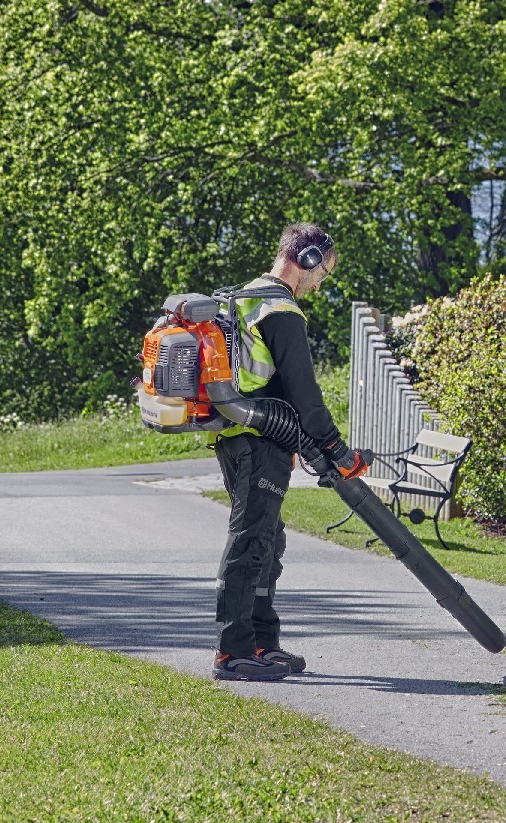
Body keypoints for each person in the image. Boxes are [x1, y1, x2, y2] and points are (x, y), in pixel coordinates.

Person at [211, 223, 368, 682]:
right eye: (325, 272)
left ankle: (262, 642)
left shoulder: (243, 296)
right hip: (259, 440)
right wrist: (336, 448)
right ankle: (233, 653)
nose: (321, 283)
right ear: (310, 259)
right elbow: (305, 393)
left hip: (241, 435)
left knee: (268, 541)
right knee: (251, 539)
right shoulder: (280, 309)